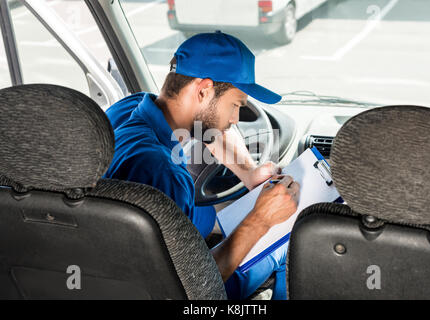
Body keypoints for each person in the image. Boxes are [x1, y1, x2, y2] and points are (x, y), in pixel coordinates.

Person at [103, 31, 300, 300]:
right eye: (235, 105)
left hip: (136, 263)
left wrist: (249, 173)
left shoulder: (131, 107)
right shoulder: (162, 173)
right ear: (203, 90)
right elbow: (190, 291)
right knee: (286, 248)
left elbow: (208, 127)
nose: (235, 119)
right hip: (191, 283)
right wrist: (260, 220)